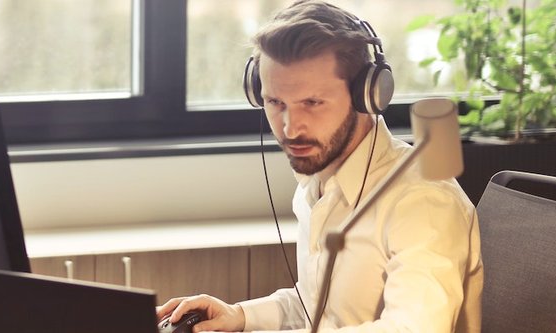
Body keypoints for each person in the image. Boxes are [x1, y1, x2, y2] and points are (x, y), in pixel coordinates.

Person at [156, 1, 483, 332]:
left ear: (366, 96)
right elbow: (317, 308)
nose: (290, 127)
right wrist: (240, 316)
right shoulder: (318, 182)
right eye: (275, 102)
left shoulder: (423, 200)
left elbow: (412, 329)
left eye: (312, 103)